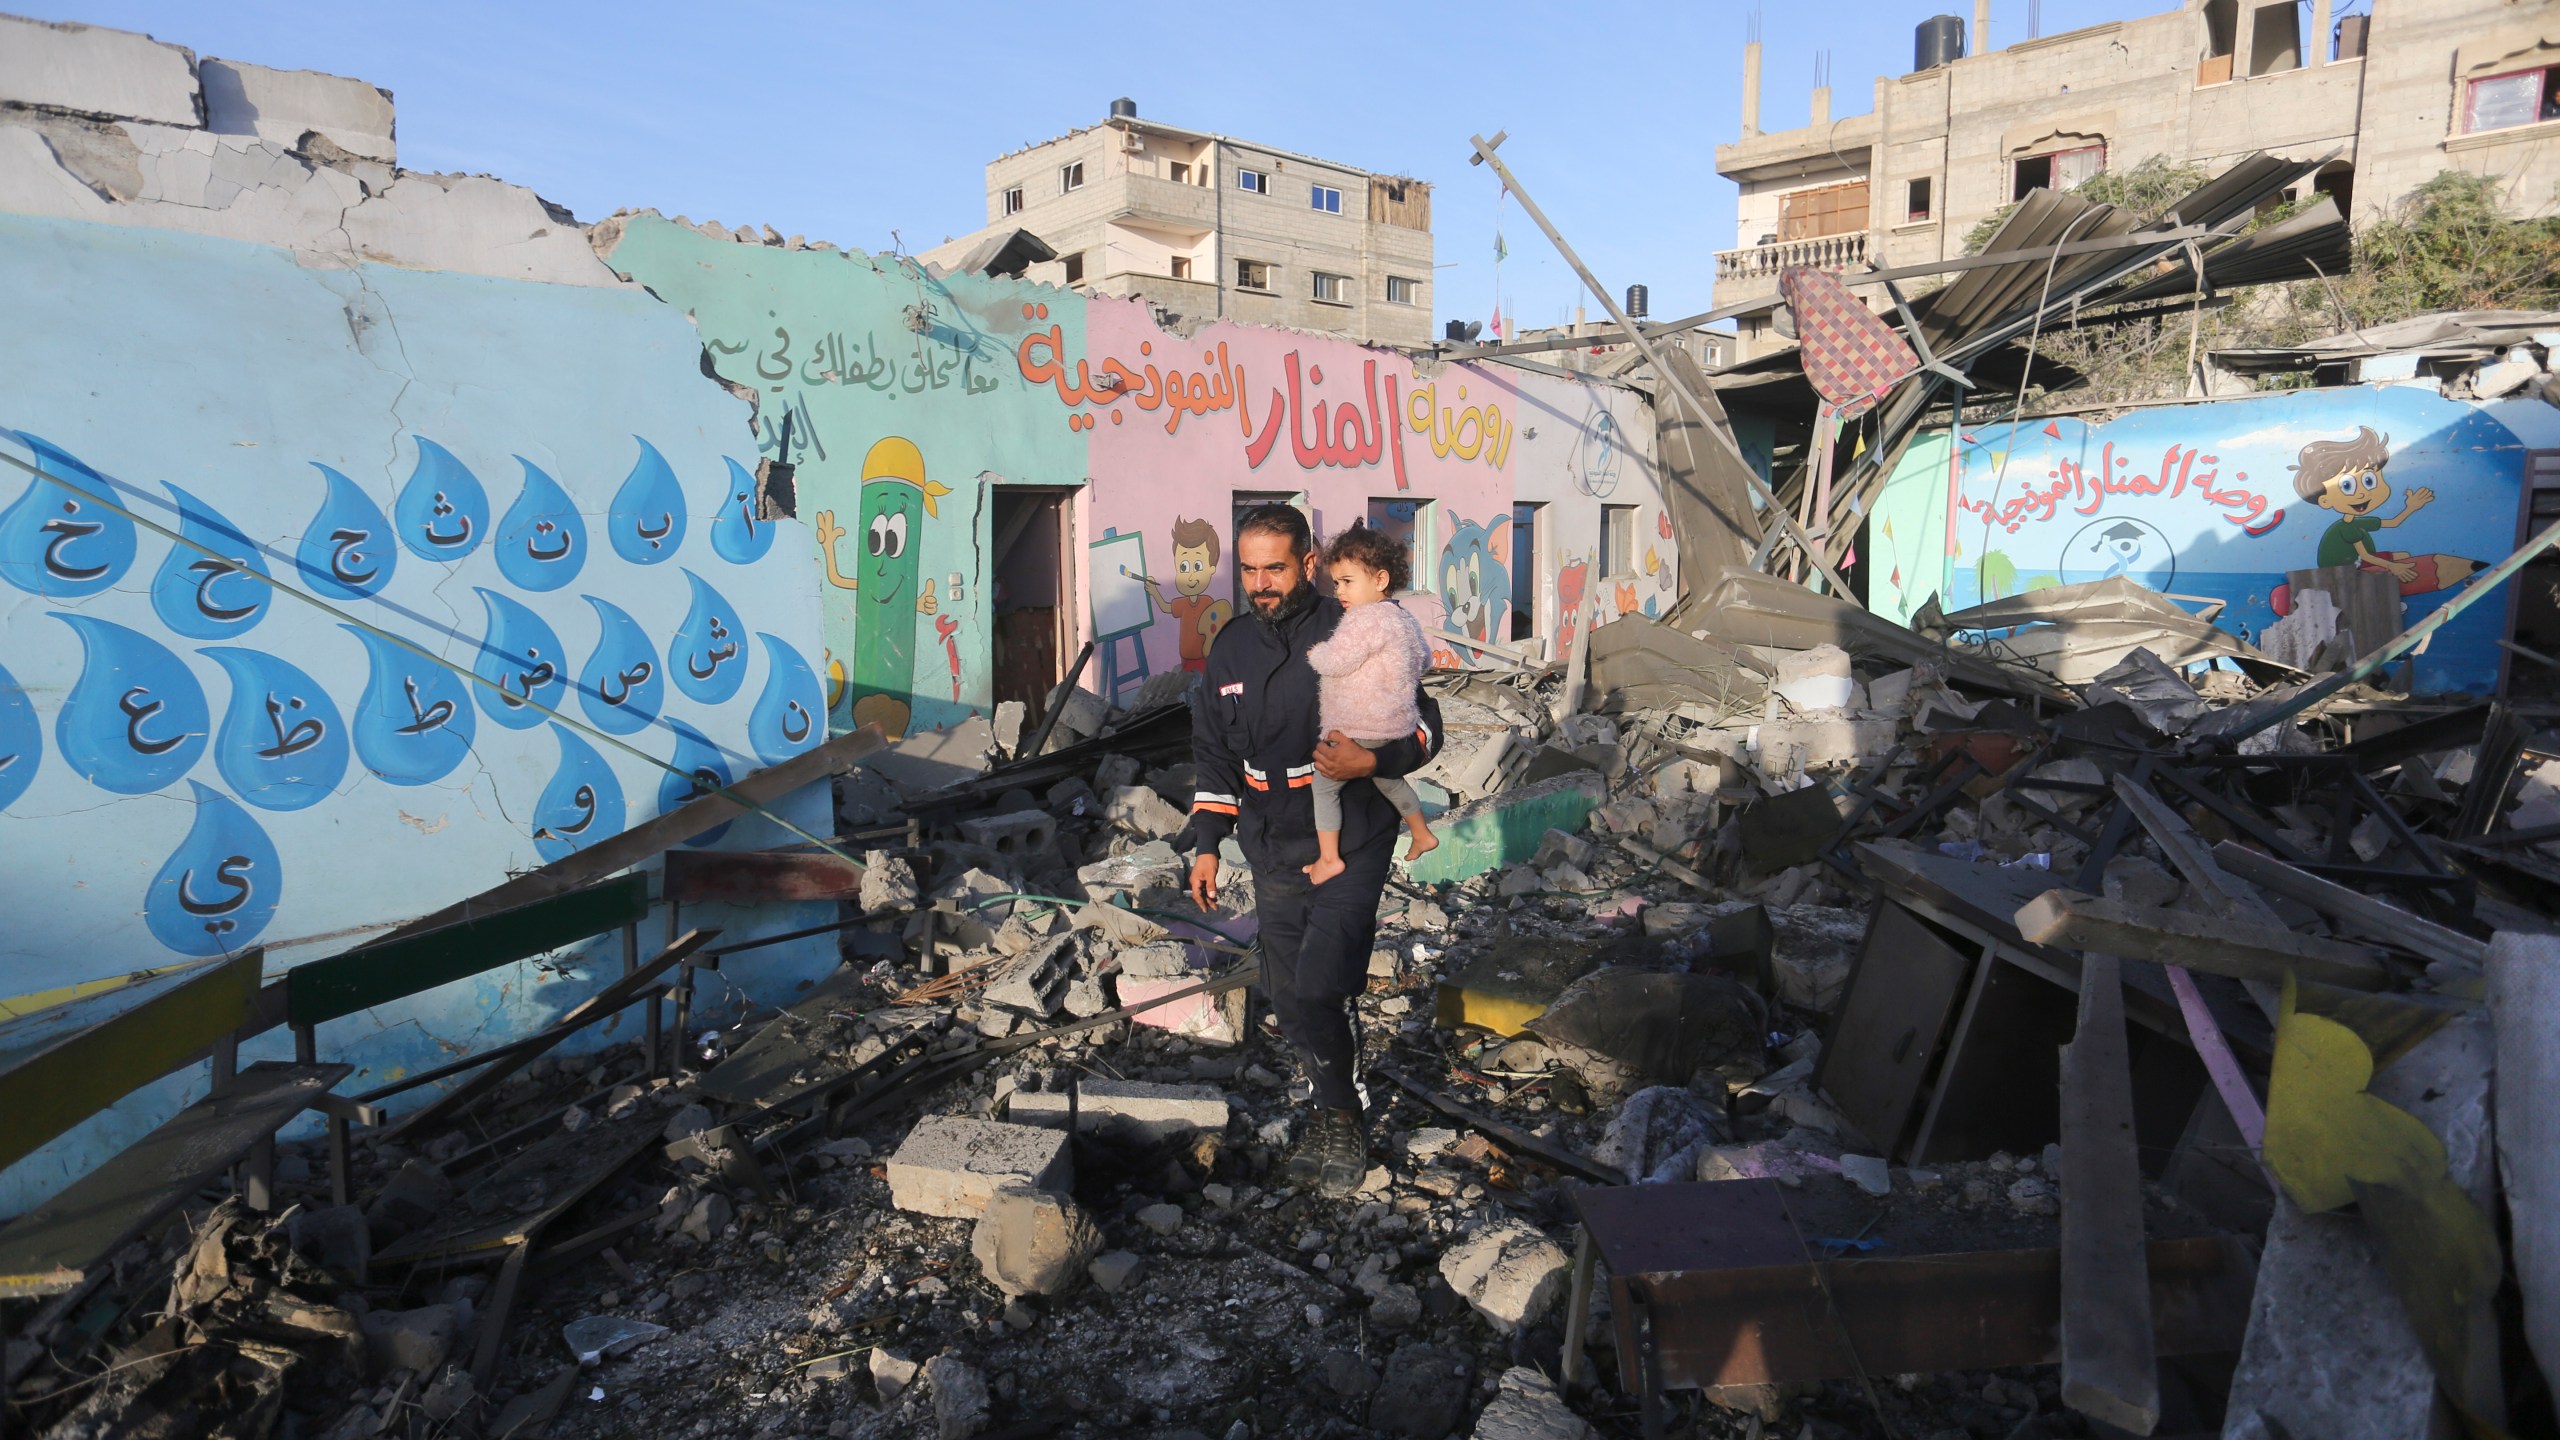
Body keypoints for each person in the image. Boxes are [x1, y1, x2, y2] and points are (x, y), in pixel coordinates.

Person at [1185, 505, 1442, 1198]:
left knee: (1324, 980)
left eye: (1275, 567)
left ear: (1307, 563)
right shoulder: (1230, 646)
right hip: (1270, 839)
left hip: (1351, 832)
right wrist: (1207, 844)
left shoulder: (1358, 625)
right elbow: (1212, 752)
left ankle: (1342, 1116)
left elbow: (1426, 729)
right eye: (1249, 569)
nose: (1261, 583)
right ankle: (1330, 1098)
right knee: (1288, 992)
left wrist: (1375, 758)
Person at [1303, 527, 1437, 885]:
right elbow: (1424, 660)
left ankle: (1328, 858)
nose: (1339, 591)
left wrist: (1317, 654)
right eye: (1336, 583)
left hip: (1357, 727)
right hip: (1393, 727)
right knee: (1389, 780)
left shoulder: (1364, 618)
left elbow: (1337, 661)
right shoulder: (1401, 616)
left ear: (1380, 579)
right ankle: (1422, 833)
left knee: (1324, 786)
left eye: (1347, 581)